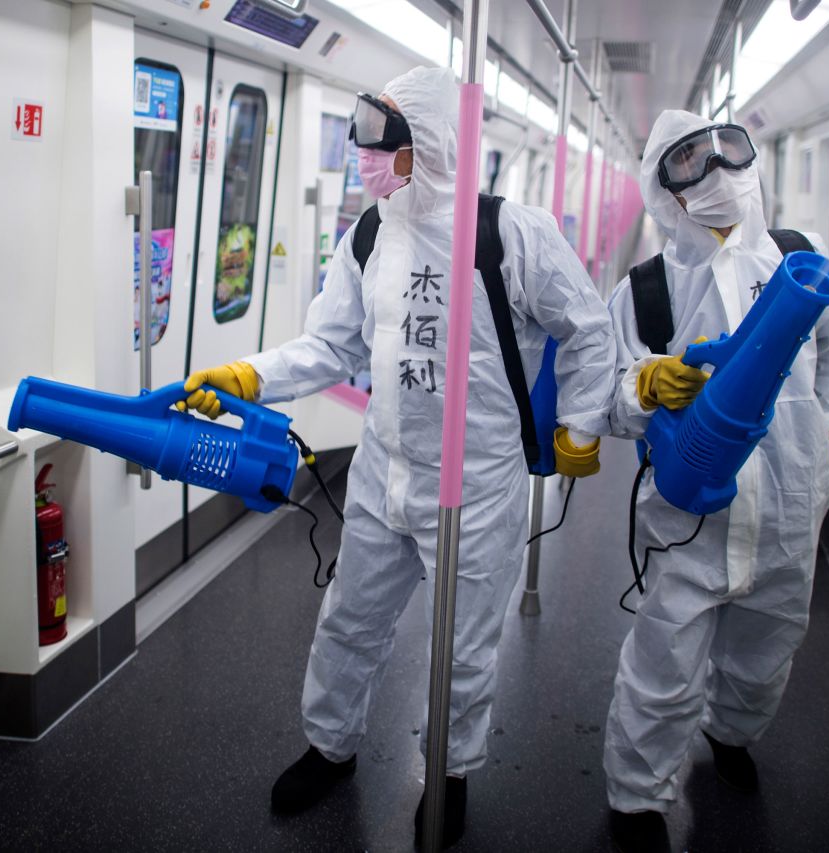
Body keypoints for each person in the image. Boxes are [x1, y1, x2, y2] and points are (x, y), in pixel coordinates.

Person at [179, 66, 616, 848]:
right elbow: (332, 341)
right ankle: (331, 744)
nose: (364, 157)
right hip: (386, 470)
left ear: (430, 142)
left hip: (477, 481)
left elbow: (585, 328)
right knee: (350, 617)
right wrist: (253, 376)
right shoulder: (370, 234)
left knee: (463, 645)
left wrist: (581, 421)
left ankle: (446, 773)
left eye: (380, 141)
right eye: (360, 138)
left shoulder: (511, 232)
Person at [601, 110, 829, 853]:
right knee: (664, 662)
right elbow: (609, 396)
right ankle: (636, 797)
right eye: (688, 160)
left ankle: (733, 733)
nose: (716, 170)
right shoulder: (647, 290)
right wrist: (647, 384)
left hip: (786, 509)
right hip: (690, 517)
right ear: (665, 190)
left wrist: (828, 427)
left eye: (727, 149)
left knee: (768, 647)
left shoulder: (795, 260)